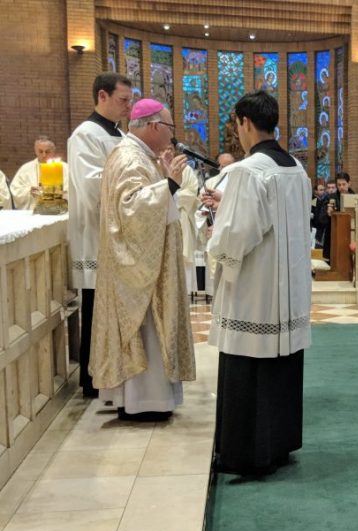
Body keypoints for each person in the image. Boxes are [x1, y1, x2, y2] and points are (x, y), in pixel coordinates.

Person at [207, 91, 312, 475]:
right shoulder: (296, 169)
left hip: (256, 292)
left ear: (245, 123)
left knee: (247, 370)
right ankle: (279, 446)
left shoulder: (248, 171)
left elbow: (238, 233)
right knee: (280, 369)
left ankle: (246, 454)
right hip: (289, 293)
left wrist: (214, 246)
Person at [90, 98, 196, 421]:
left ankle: (148, 400)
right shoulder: (130, 158)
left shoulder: (138, 155)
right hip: (138, 272)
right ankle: (144, 402)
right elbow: (131, 210)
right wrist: (170, 185)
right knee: (148, 331)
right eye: (170, 128)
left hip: (146, 262)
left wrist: (166, 183)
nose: (172, 135)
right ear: (154, 127)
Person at [68, 72, 133, 397]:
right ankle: (93, 381)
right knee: (96, 310)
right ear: (102, 96)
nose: (128, 106)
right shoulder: (86, 134)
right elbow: (92, 183)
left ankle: (113, 374)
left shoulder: (118, 134)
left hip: (118, 233)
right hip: (97, 235)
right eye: (123, 99)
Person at [8, 137, 68, 210]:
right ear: (35, 151)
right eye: (40, 151)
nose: (44, 155)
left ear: (53, 151)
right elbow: (15, 189)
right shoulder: (26, 169)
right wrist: (29, 191)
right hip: (33, 211)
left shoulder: (65, 168)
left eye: (47, 152)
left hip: (59, 209)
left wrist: (58, 193)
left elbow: (72, 189)